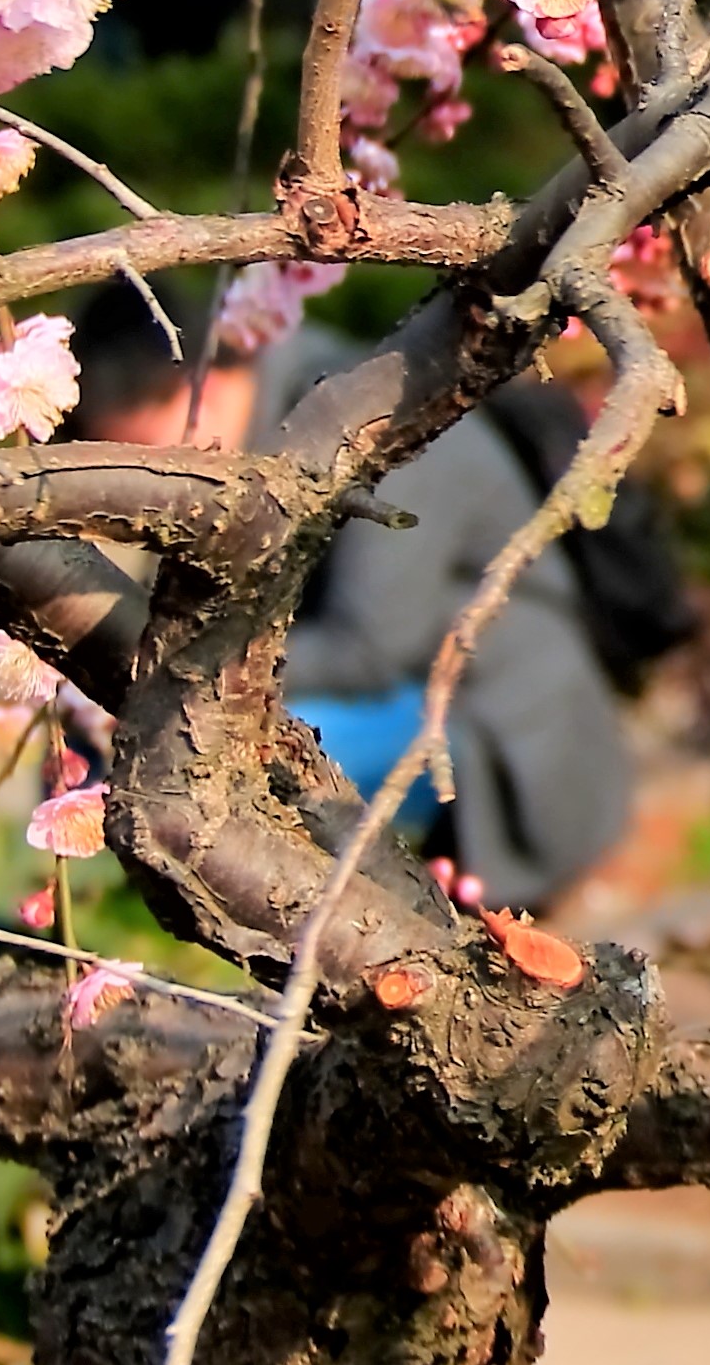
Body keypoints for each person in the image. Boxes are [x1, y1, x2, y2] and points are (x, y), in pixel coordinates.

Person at [64, 277, 635, 910]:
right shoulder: (251, 435)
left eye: (150, 454)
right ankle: (79, 906)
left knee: (210, 763)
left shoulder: (377, 426)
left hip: (495, 730)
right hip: (387, 698)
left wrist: (183, 678)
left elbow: (368, 650)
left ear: (204, 387)